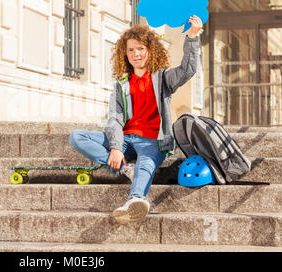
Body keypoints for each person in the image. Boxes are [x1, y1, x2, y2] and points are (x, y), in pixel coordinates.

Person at [69, 16, 203, 224]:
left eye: (140, 48)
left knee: (145, 165)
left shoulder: (163, 78)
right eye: (130, 50)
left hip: (153, 140)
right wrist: (115, 147)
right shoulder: (122, 83)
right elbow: (114, 118)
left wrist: (192, 36)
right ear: (125, 54)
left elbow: (188, 70)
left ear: (150, 50)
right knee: (77, 137)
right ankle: (125, 169)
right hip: (126, 139)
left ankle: (135, 201)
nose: (135, 54)